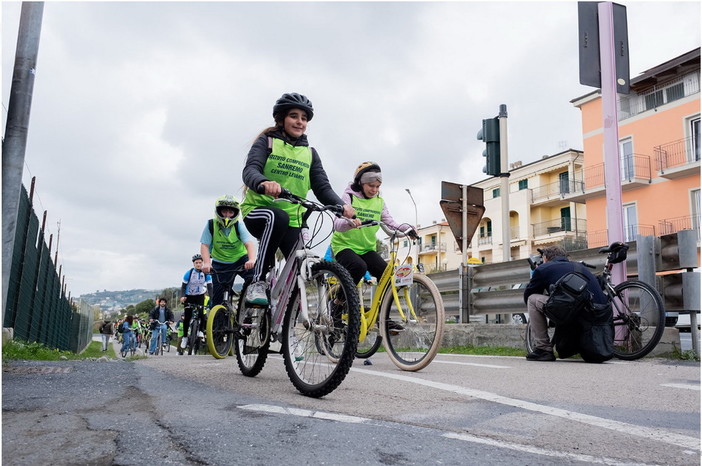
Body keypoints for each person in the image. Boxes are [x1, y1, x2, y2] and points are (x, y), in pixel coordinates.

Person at [240, 92, 355, 305]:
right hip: (260, 211)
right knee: (278, 217)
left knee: (300, 265)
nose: (299, 122)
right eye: (294, 116)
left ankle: (287, 320)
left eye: (304, 118)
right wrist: (264, 183)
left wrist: (342, 207)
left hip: (294, 219)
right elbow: (250, 170)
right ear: (282, 118)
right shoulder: (267, 142)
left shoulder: (310, 154)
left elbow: (322, 188)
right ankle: (258, 282)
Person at [330, 161, 417, 332]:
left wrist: (407, 229)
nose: (374, 189)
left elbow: (390, 222)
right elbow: (337, 224)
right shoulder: (349, 197)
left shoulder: (379, 202)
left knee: (386, 274)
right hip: (344, 246)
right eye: (371, 185)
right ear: (360, 183)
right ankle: (337, 305)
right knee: (358, 267)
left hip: (366, 249)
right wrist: (350, 223)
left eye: (378, 186)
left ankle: (383, 317)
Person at [523, 245, 607, 361]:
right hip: (598, 313)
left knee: (532, 300)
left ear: (546, 258)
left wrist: (538, 274)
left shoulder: (544, 268)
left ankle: (543, 349)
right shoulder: (581, 267)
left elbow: (529, 295)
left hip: (575, 312)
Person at [200, 195, 256, 308]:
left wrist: (251, 259)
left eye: (230, 212)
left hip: (240, 260)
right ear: (218, 211)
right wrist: (206, 263)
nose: (227, 215)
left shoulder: (239, 225)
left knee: (253, 277)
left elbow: (249, 244)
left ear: (235, 213)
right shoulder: (211, 225)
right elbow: (204, 245)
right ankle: (218, 324)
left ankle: (245, 301)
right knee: (217, 300)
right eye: (224, 211)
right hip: (220, 263)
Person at [179, 254, 213, 349]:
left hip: (200, 295)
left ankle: (200, 331)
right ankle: (185, 337)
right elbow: (183, 286)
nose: (198, 264)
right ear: (193, 264)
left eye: (200, 263)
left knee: (202, 313)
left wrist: (211, 298)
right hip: (189, 296)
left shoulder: (206, 273)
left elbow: (210, 287)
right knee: (187, 317)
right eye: (196, 263)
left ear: (202, 263)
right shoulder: (189, 273)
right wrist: (182, 296)